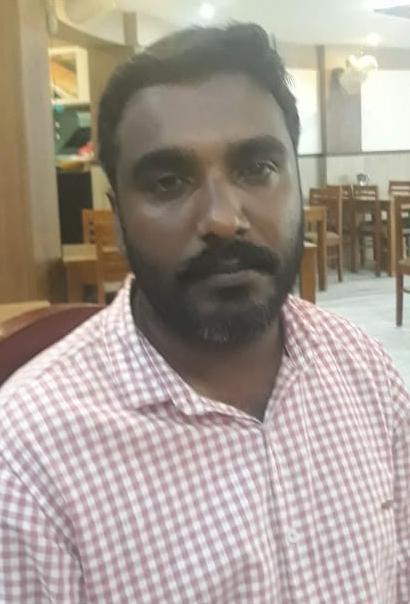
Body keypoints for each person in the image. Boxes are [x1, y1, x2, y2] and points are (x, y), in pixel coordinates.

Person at [0, 23, 408, 604]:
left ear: (297, 182)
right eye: (169, 181)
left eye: (257, 169)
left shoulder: (363, 370)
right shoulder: (27, 461)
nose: (222, 218)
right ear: (118, 217)